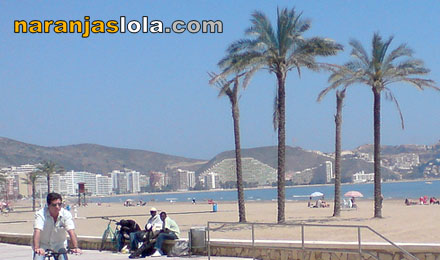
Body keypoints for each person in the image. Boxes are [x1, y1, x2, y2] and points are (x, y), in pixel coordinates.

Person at [33, 192, 82, 260]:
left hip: (59, 245)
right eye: (54, 205)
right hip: (43, 244)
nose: (57, 207)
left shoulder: (65, 214)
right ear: (48, 205)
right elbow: (37, 231)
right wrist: (37, 248)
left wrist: (75, 247)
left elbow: (71, 231)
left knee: (63, 258)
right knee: (38, 258)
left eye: (59, 204)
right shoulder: (41, 214)